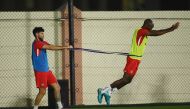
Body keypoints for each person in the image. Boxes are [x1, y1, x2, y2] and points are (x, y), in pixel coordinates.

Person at [97, 19, 179, 105]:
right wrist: (171, 29)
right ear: (146, 24)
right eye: (152, 24)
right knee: (125, 79)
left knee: (128, 80)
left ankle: (108, 92)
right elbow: (156, 33)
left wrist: (170, 29)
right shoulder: (141, 31)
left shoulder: (144, 32)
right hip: (133, 59)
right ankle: (103, 90)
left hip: (136, 60)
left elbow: (155, 31)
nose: (153, 26)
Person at [32, 27, 71, 109]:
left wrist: (65, 47)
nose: (43, 34)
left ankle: (60, 107)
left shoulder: (42, 42)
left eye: (43, 33)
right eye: (41, 33)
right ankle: (35, 108)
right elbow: (50, 48)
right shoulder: (37, 43)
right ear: (36, 34)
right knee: (42, 92)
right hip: (40, 71)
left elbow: (52, 46)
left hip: (47, 71)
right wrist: (64, 47)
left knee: (57, 87)